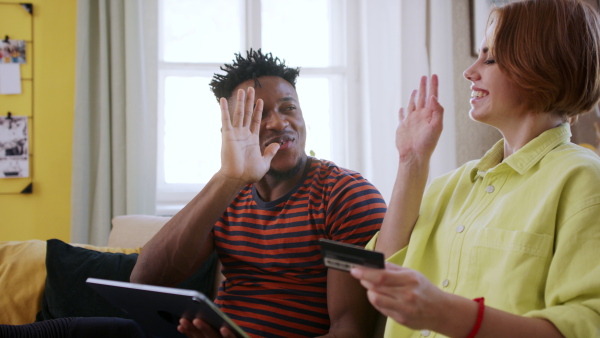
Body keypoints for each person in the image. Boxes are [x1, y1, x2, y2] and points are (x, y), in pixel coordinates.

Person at [350, 0, 600, 337]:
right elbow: (385, 267)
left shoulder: (583, 181)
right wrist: (411, 161)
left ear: (540, 66)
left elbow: (584, 328)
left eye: (490, 58)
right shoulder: (449, 185)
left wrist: (446, 314)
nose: (470, 72)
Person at [130, 49, 387, 338]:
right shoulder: (228, 195)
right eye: (258, 114)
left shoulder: (346, 196)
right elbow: (145, 278)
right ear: (230, 129)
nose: (278, 123)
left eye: (288, 108)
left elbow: (349, 332)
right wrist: (228, 179)